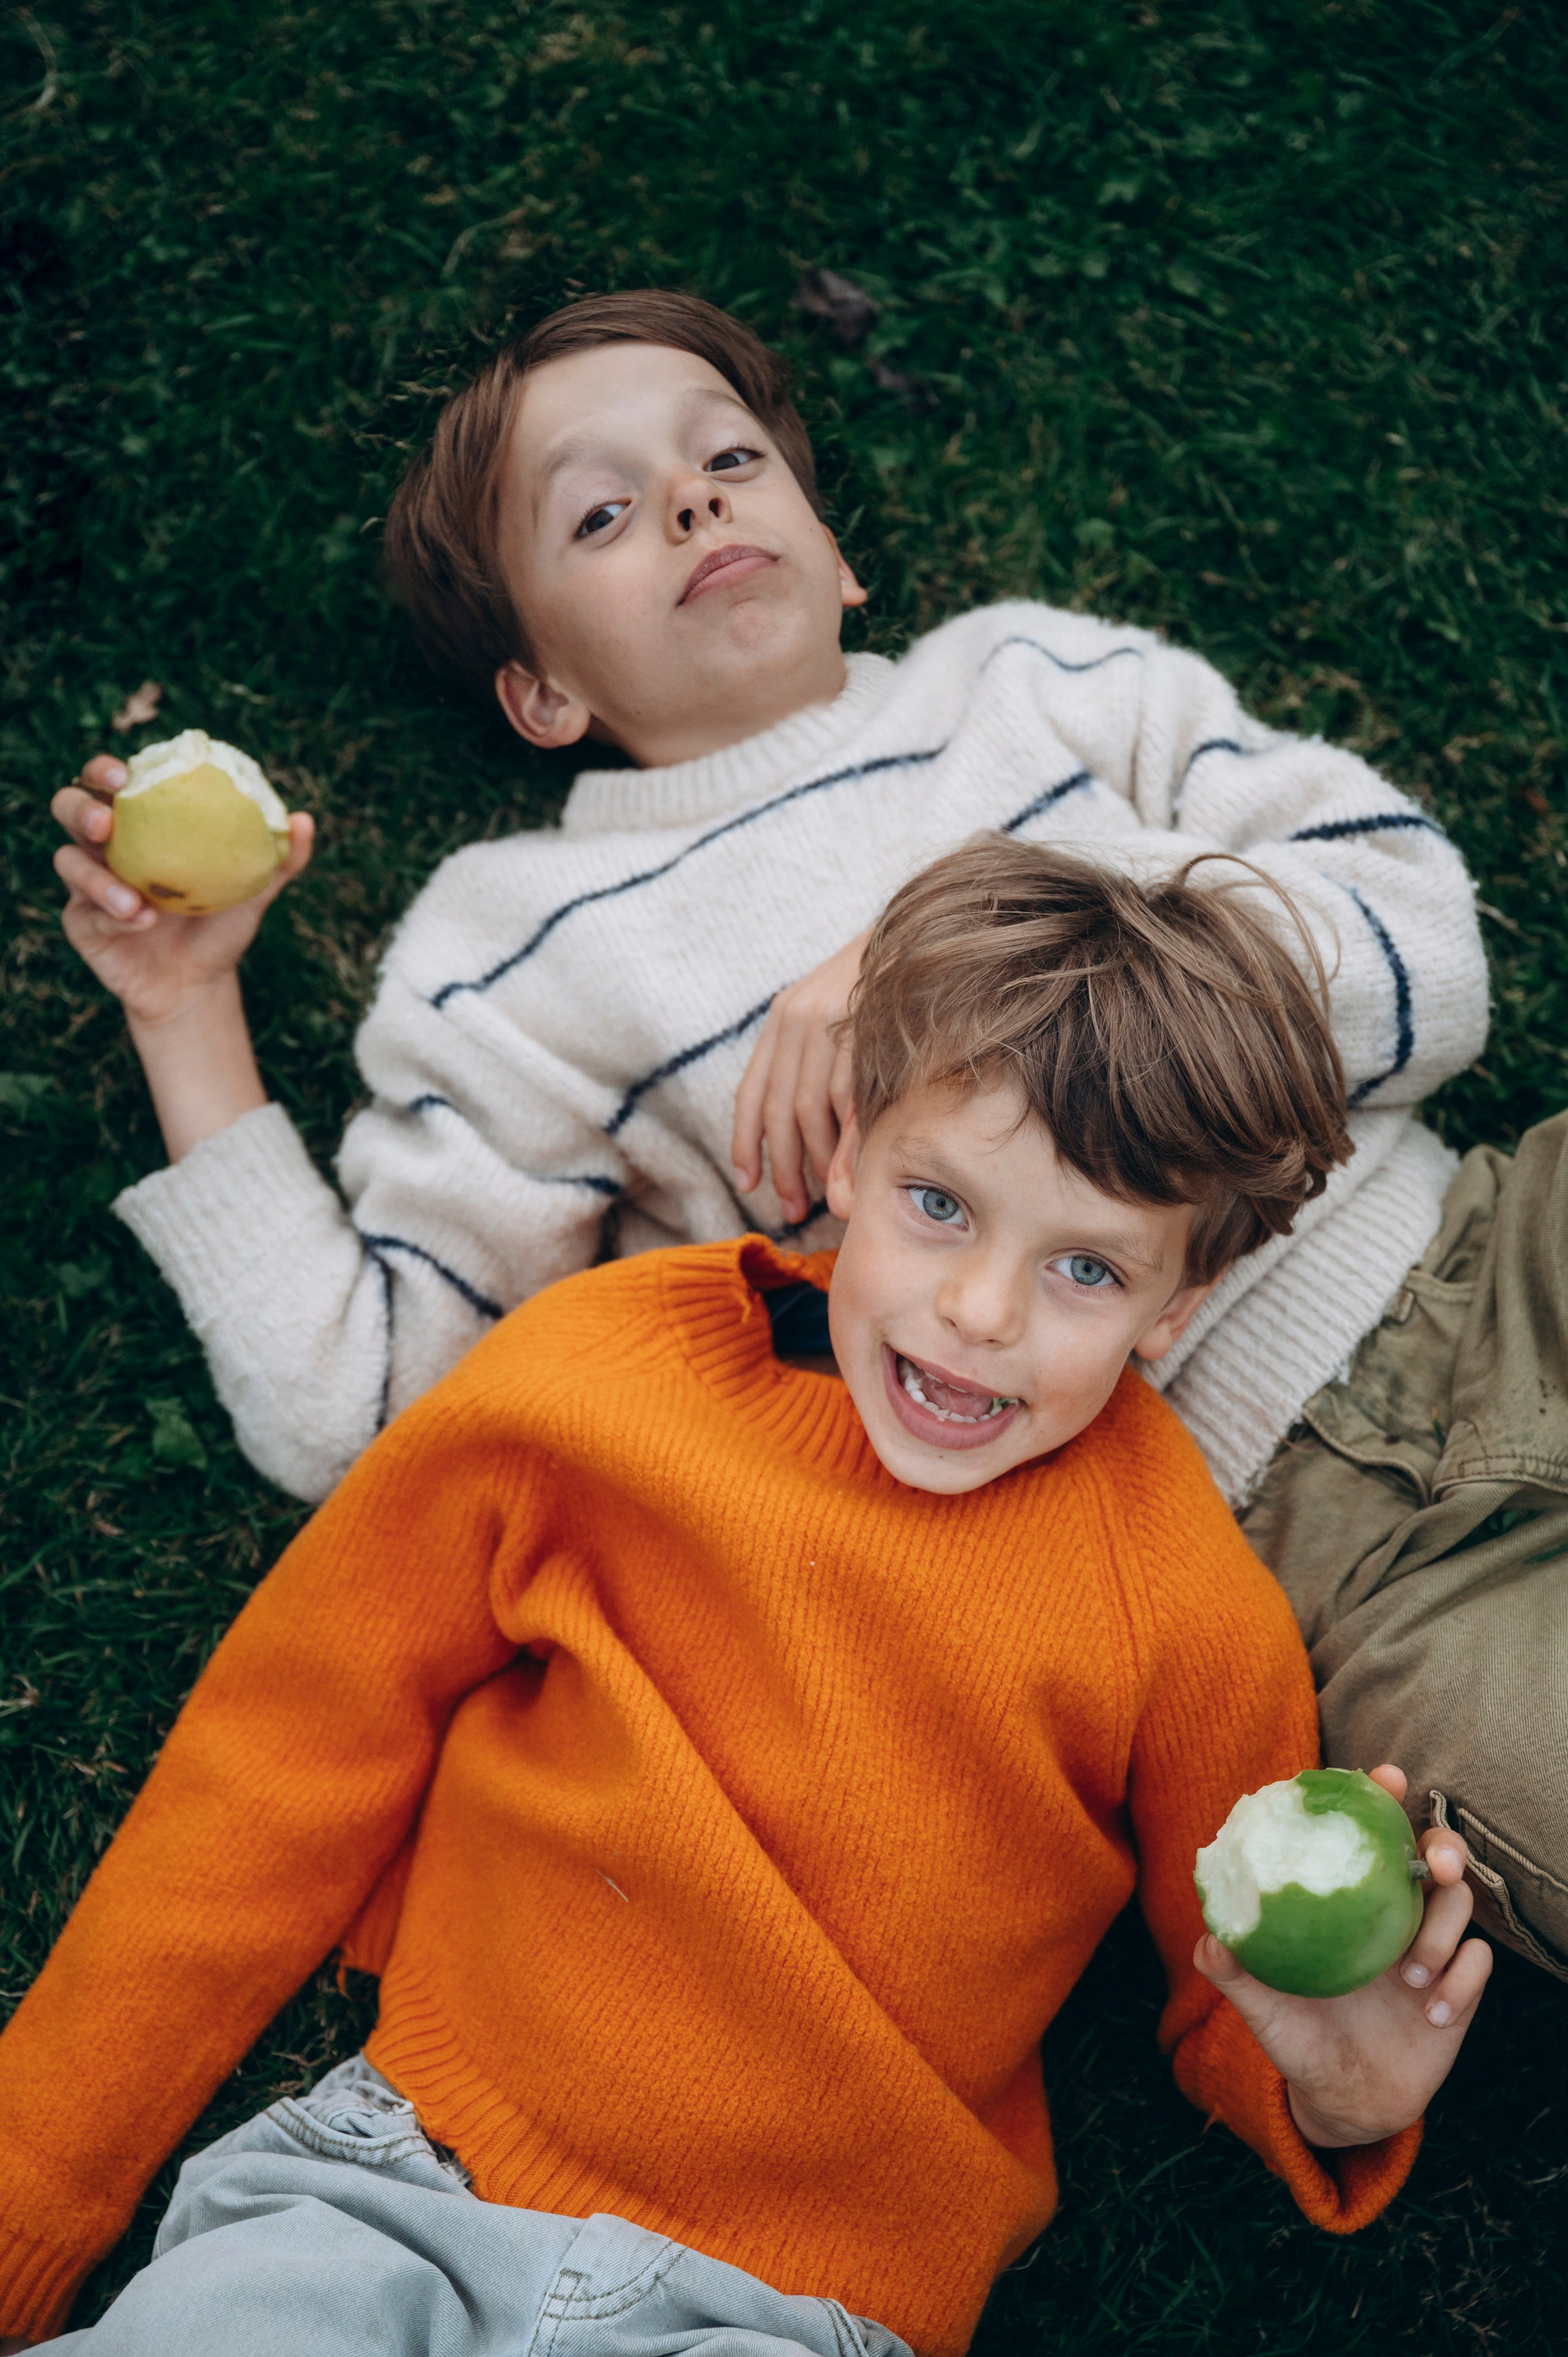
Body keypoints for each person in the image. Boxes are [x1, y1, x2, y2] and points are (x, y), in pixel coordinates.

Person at [0, 842, 1490, 2356]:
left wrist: (1335, 2091)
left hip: (790, 2311)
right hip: (395, 2183)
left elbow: (1231, 1963)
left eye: (1086, 1272)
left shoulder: (1179, 1604)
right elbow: (282, 1757)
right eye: (937, 1203)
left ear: (1175, 1307)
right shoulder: (594, 1377)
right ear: (844, 1155)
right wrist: (33, 2187)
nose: (979, 1313)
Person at [51, 290, 1486, 1511]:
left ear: (841, 559)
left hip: (1486, 1245)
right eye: (602, 513)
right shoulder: (518, 949)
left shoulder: (1029, 678)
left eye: (728, 457)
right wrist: (183, 1016)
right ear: (542, 691)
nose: (693, 498)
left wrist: (947, 943)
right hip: (1282, 1510)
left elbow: (1424, 951)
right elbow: (359, 1410)